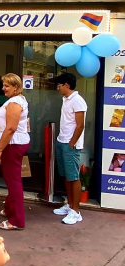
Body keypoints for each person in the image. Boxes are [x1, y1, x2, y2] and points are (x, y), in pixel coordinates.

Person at [0, 74, 30, 231]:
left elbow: (10, 128)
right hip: (15, 143)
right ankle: (9, 209)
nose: (3, 88)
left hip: (12, 145)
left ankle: (17, 220)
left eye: (7, 85)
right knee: (11, 179)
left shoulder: (15, 102)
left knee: (13, 181)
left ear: (16, 87)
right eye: (3, 85)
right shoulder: (18, 99)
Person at [53, 72, 87, 225]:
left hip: (70, 144)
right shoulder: (66, 99)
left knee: (73, 177)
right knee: (66, 175)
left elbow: (80, 125)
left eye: (59, 86)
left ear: (66, 85)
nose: (58, 89)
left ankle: (76, 211)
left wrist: (72, 143)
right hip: (62, 141)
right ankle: (70, 205)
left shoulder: (78, 101)